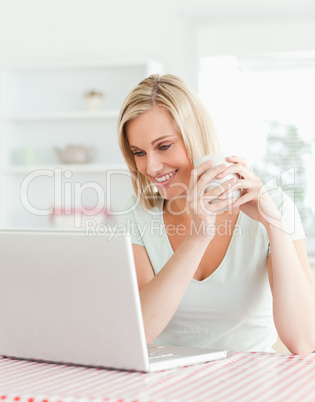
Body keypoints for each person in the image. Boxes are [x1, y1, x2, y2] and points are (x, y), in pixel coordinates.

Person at [117, 74, 315, 354]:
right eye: (138, 152)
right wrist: (198, 237)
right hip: (166, 381)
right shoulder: (137, 214)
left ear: (195, 136)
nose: (150, 167)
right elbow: (141, 331)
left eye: (163, 146)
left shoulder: (274, 207)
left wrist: (275, 225)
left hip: (251, 380)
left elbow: (304, 341)